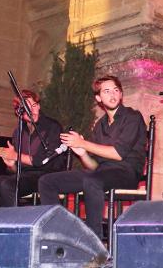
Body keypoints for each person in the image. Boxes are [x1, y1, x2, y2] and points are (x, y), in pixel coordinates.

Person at [38, 75, 146, 239]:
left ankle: (93, 243)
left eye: (116, 90)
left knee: (92, 181)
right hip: (101, 173)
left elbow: (118, 153)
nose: (112, 95)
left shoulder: (132, 117)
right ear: (98, 98)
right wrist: (82, 153)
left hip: (126, 172)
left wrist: (83, 144)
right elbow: (94, 166)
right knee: (47, 182)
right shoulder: (100, 125)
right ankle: (58, 234)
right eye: (107, 91)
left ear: (121, 94)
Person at [0, 90, 64, 225]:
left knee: (9, 185)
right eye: (26, 108)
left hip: (44, 176)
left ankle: (7, 229)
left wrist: (15, 155)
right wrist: (11, 164)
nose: (31, 111)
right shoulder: (18, 132)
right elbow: (13, 171)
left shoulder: (52, 127)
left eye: (33, 106)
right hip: (22, 176)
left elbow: (45, 162)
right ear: (19, 113)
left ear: (39, 106)